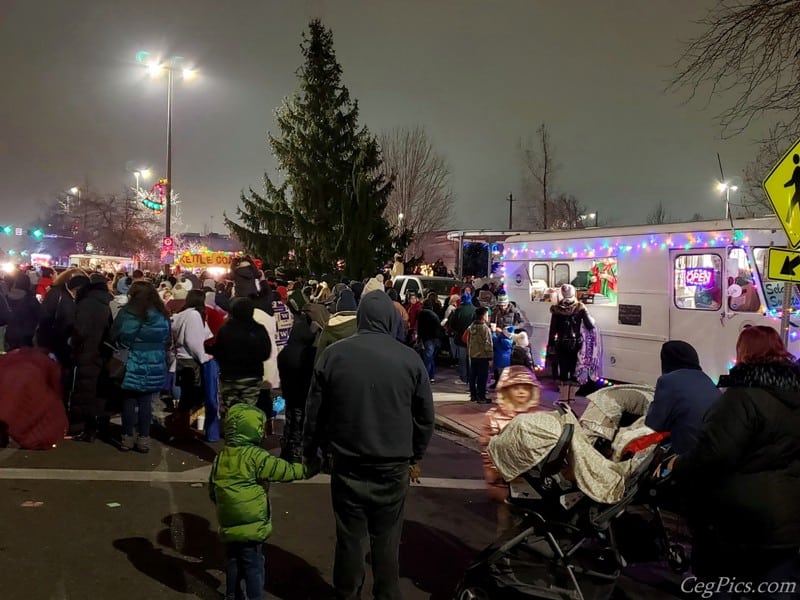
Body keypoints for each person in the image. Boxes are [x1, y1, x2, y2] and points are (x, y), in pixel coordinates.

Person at [303, 290, 435, 600]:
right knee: (387, 537)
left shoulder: (334, 354)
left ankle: (347, 591)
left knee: (349, 537)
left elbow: (315, 412)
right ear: (390, 319)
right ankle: (387, 593)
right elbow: (424, 417)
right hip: (392, 464)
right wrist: (415, 454)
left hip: (348, 461)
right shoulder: (409, 359)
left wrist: (313, 450)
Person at [668, 326, 800, 586]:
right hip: (789, 517)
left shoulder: (740, 398)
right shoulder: (794, 396)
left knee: (720, 585)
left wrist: (677, 467)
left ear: (743, 354)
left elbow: (712, 456)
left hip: (739, 523)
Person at [209, 403, 314, 600]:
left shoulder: (222, 457)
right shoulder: (256, 456)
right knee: (254, 565)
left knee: (233, 560)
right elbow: (283, 471)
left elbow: (212, 488)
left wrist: (224, 505)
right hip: (252, 523)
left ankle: (232, 594)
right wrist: (308, 470)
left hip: (229, 521)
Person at [110, 281, 170, 453]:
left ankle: (127, 438)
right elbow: (166, 337)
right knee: (146, 402)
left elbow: (120, 335)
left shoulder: (129, 313)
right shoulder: (161, 314)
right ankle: (144, 438)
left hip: (132, 360)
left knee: (128, 400)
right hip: (155, 361)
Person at [480, 366, 542, 531]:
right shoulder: (494, 417)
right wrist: (494, 473)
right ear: (506, 390)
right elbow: (488, 448)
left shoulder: (538, 416)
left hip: (532, 477)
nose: (521, 392)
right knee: (506, 518)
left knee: (528, 519)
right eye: (516, 387)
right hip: (504, 478)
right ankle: (504, 548)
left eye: (525, 388)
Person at [645, 340, 720, 454]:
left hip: (689, 457)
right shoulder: (706, 379)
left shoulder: (667, 381)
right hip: (714, 452)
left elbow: (654, 424)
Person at [69, 273, 113, 441]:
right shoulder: (108, 302)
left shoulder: (86, 304)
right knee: (100, 390)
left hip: (87, 351)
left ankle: (86, 428)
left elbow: (80, 330)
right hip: (102, 352)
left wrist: (73, 341)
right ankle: (101, 425)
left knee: (85, 391)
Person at [210, 298, 271, 412]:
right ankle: (245, 429)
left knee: (231, 409)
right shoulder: (258, 329)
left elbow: (219, 352)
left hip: (230, 376)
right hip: (252, 376)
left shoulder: (225, 329)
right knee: (249, 410)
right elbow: (266, 353)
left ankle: (232, 428)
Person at [171, 289, 213, 435]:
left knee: (186, 395)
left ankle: (181, 425)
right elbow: (193, 340)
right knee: (191, 395)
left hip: (182, 358)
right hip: (191, 360)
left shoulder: (181, 315)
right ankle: (182, 427)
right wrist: (203, 356)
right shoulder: (194, 315)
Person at [277, 317, 317, 462]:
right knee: (300, 424)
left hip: (289, 393)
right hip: (304, 394)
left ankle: (286, 449)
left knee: (290, 421)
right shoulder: (310, 353)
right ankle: (297, 452)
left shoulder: (285, 353)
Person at [548, 283, 594, 402]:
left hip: (561, 344)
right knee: (574, 370)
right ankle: (571, 399)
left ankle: (563, 399)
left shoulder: (556, 309)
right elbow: (590, 325)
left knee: (563, 370)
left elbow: (552, 330)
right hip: (576, 344)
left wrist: (551, 345)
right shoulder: (580, 307)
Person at [5, 271, 41, 351]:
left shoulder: (6, 297)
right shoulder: (31, 299)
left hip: (9, 335)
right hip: (27, 337)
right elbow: (40, 316)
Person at [447, 292, 475, 385]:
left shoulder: (458, 311)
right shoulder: (475, 310)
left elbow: (453, 325)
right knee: (471, 359)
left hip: (460, 339)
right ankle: (472, 378)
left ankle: (463, 378)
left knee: (462, 359)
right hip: (472, 339)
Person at [467, 306, 494, 403]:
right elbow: (488, 344)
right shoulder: (485, 328)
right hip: (483, 356)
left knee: (473, 376)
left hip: (473, 355)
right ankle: (481, 397)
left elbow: (468, 341)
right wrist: (490, 357)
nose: (488, 316)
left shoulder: (471, 326)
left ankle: (473, 395)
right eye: (487, 314)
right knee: (482, 377)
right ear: (483, 316)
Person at [417, 305, 442, 383]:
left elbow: (420, 327)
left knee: (427, 359)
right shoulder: (434, 315)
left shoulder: (422, 314)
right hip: (437, 338)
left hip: (429, 338)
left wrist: (419, 339)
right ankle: (431, 377)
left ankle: (426, 378)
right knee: (431, 358)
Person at [490, 324, 514, 389]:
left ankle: (498, 386)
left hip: (499, 360)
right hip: (506, 361)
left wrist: (493, 332)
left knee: (497, 374)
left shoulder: (500, 340)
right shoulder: (509, 340)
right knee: (503, 376)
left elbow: (493, 340)